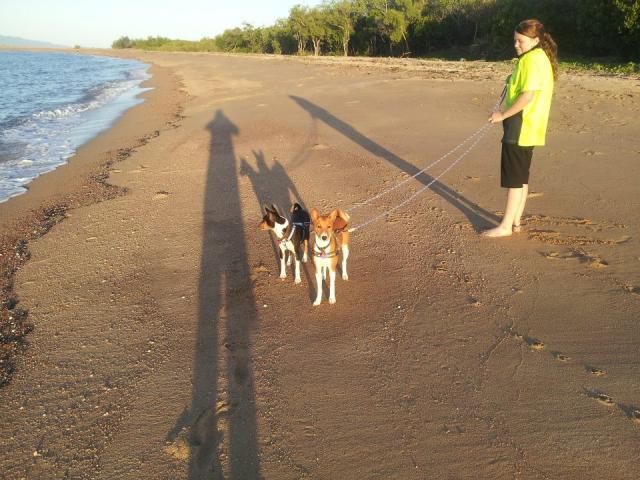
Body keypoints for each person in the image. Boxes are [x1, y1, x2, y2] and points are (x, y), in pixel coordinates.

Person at [483, 19, 558, 237]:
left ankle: (505, 226)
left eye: (520, 41)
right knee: (522, 176)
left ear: (536, 40)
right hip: (531, 127)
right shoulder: (539, 57)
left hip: (520, 125)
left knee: (514, 179)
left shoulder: (531, 60)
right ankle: (516, 221)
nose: (516, 45)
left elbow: (528, 95)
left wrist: (502, 115)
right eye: (515, 40)